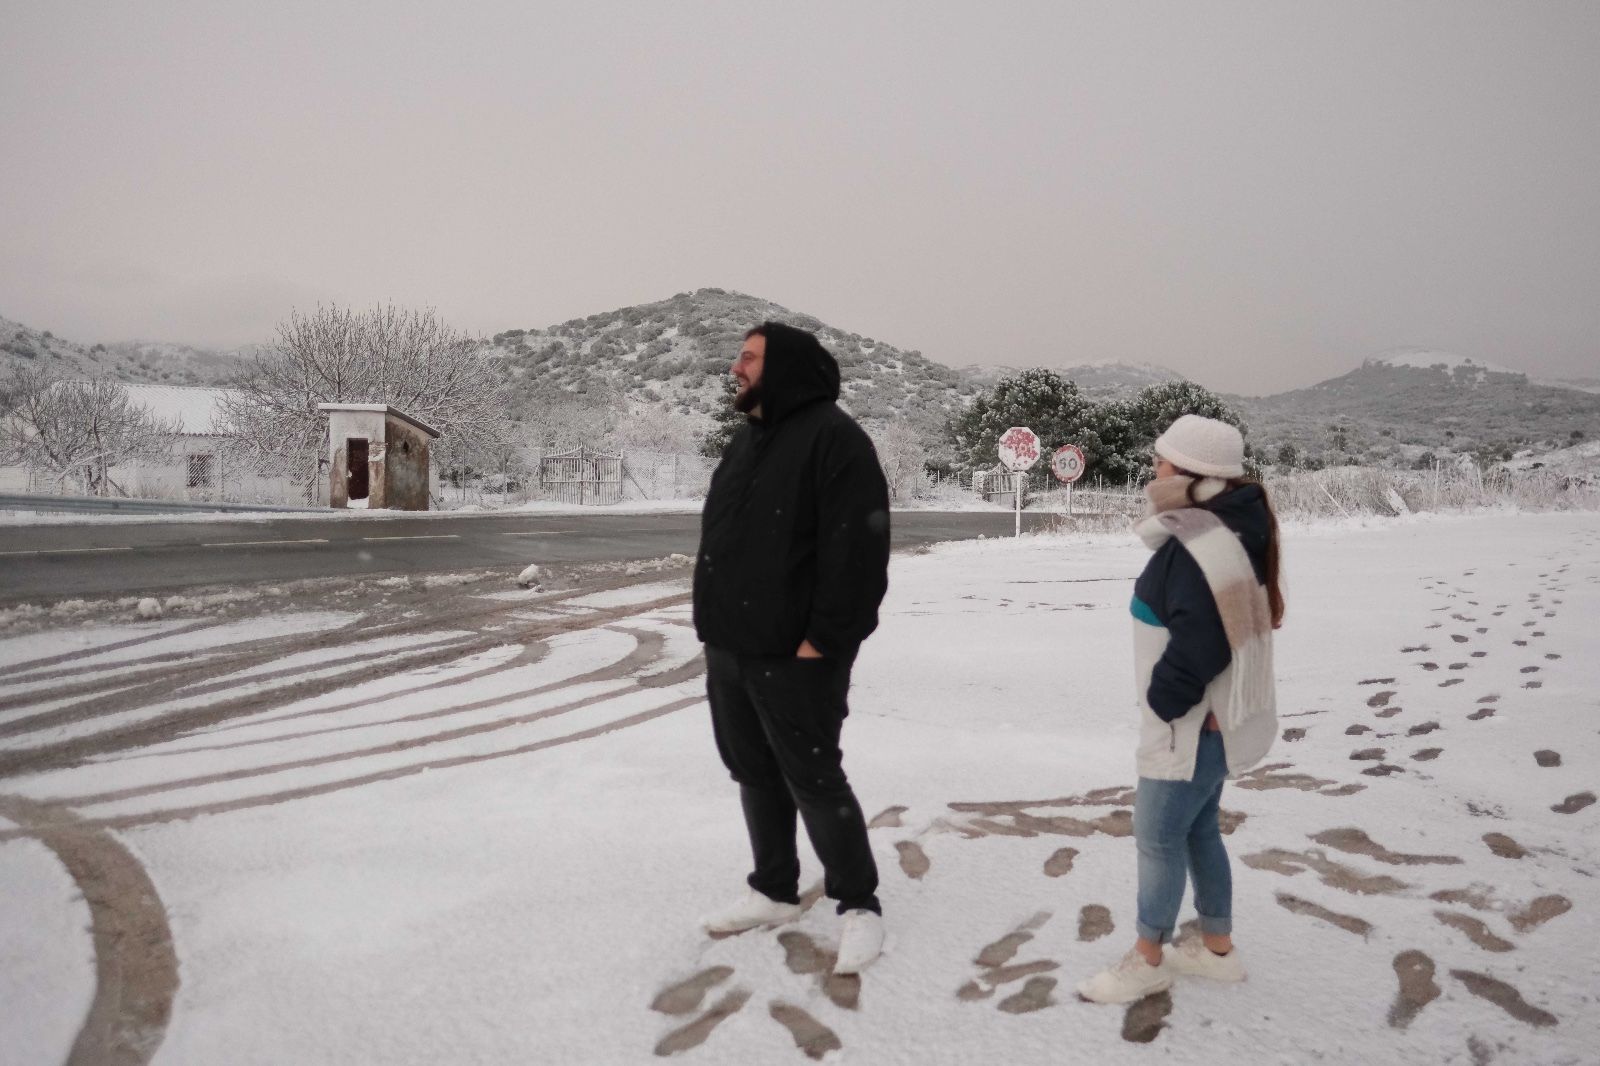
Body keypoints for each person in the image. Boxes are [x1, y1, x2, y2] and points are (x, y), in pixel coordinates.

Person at [692, 321, 892, 975]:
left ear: (784, 368)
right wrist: (712, 626)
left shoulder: (836, 440)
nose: (736, 368)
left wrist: (823, 642)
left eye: (749, 357)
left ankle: (859, 905)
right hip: (730, 646)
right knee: (752, 770)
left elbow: (858, 555)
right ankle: (774, 889)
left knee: (814, 777)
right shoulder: (746, 442)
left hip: (796, 655)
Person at [1077, 414, 1285, 1004]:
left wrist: (1165, 699)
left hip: (1189, 727)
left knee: (1157, 839)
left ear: (1190, 472)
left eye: (1161, 461)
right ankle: (1216, 951)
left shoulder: (1202, 541)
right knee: (1197, 832)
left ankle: (1148, 959)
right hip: (1209, 723)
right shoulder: (1224, 526)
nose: (1153, 469)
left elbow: (1202, 640)